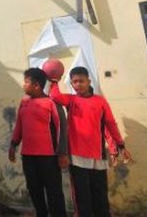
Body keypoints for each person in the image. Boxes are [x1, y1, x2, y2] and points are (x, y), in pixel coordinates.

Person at [49, 66, 132, 217]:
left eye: (81, 81)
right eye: (74, 82)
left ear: (89, 81)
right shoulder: (71, 100)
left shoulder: (100, 101)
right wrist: (54, 80)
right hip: (77, 157)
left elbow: (110, 123)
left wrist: (120, 144)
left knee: (100, 195)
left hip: (98, 156)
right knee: (82, 198)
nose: (78, 85)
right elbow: (55, 96)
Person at [9, 67, 68, 217]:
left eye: (26, 82)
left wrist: (62, 153)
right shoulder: (24, 102)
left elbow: (62, 128)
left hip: (49, 157)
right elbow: (19, 126)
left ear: (36, 85)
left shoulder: (51, 103)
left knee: (54, 191)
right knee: (34, 190)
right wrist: (13, 144)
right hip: (28, 156)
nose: (23, 85)